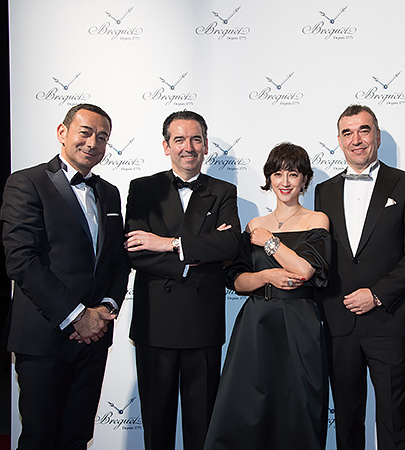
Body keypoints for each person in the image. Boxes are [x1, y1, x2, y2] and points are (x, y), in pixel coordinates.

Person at [0, 103, 129, 450]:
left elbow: (118, 260)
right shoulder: (26, 182)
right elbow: (22, 261)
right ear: (62, 132)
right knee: (39, 439)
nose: (93, 143)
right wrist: (76, 316)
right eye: (85, 133)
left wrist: (105, 309)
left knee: (76, 438)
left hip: (94, 340)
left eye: (102, 137)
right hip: (43, 338)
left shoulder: (110, 192)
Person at [314, 105, 405, 450]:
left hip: (389, 320)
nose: (356, 139)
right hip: (339, 323)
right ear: (339, 140)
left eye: (364, 130)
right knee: (347, 419)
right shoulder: (324, 191)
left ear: (377, 136)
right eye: (347, 133)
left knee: (394, 419)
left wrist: (377, 294)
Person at [124, 110, 241, 450]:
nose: (188, 147)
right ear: (166, 146)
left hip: (202, 325)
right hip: (155, 324)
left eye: (196, 139)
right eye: (179, 139)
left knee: (202, 427)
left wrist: (168, 243)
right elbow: (135, 251)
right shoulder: (143, 188)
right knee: (156, 427)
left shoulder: (223, 191)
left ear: (206, 146)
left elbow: (230, 245)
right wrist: (198, 254)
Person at [204, 142, 331, 450]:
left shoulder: (316, 220)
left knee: (299, 405)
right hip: (257, 322)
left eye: (293, 174)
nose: (285, 182)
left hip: (299, 321)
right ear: (269, 179)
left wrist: (270, 243)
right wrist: (265, 277)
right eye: (278, 174)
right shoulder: (254, 225)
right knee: (247, 407)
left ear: (305, 180)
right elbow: (237, 281)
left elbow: (306, 270)